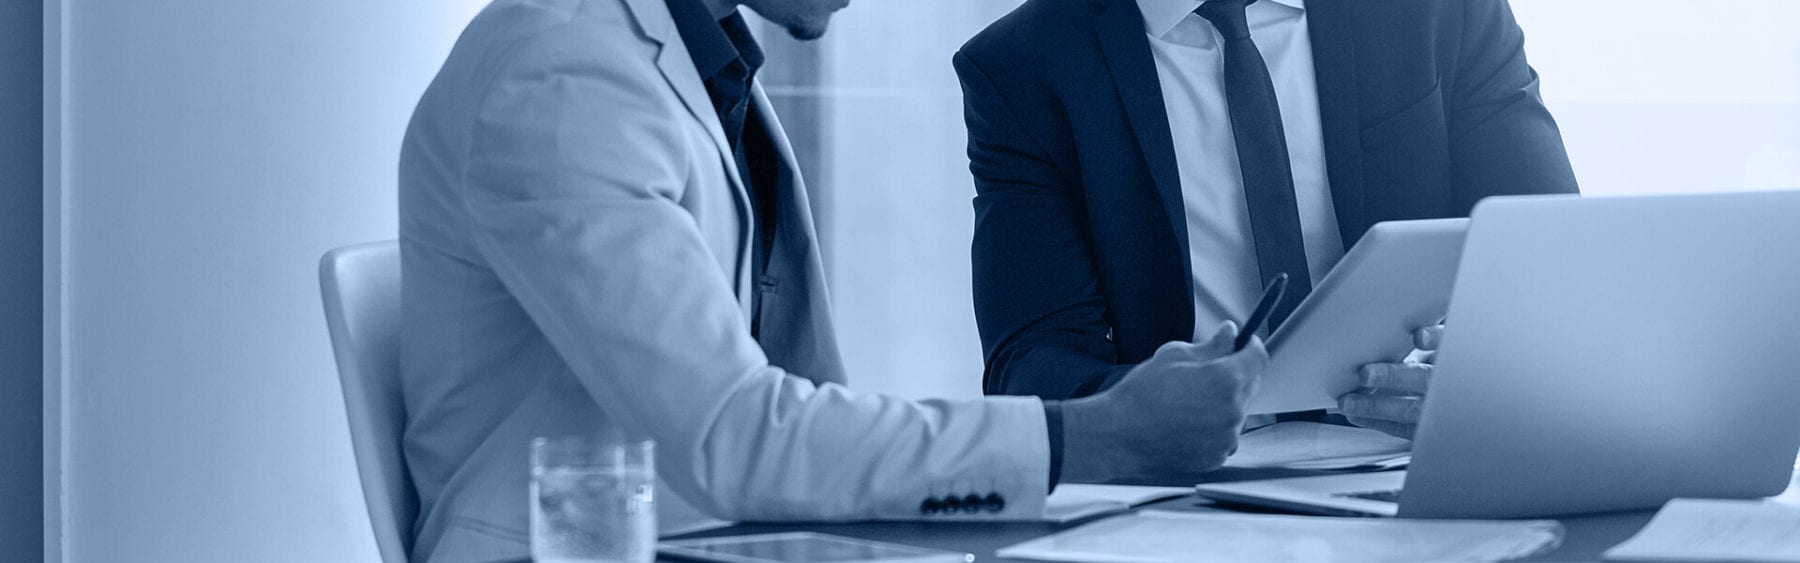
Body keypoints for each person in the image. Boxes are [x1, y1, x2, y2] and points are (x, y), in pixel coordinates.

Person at [397, 0, 1269, 561]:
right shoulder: (564, 79)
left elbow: (780, 416)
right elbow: (735, 435)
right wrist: (1090, 437)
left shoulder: (684, 62)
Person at [955, 0, 1580, 438]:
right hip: (1194, 492)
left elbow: (1561, 264)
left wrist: (1487, 370)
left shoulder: (1439, 9)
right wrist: (1134, 409)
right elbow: (1034, 361)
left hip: (1422, 455)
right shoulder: (1023, 65)